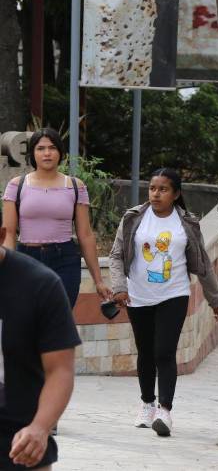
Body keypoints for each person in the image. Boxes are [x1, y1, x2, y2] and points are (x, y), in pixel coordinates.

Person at [109, 168, 218, 437]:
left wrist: (214, 300)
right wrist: (119, 288)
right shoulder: (133, 218)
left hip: (174, 293)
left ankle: (165, 410)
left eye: (163, 189)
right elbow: (116, 255)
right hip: (138, 295)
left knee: (164, 350)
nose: (156, 194)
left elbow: (203, 265)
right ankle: (147, 403)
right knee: (145, 351)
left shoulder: (187, 224)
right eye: (152, 188)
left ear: (176, 194)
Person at [2, 127, 112, 307]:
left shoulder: (76, 186)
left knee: (59, 320)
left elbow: (85, 234)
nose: (47, 153)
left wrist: (98, 280)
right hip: (27, 259)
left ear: (60, 152)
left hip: (64, 260)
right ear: (32, 153)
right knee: (28, 320)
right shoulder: (17, 185)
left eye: (52, 148)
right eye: (40, 148)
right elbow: (8, 234)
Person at [0, 224, 80, 470]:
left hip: (18, 438)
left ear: (1, 235)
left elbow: (60, 370)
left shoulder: (39, 285)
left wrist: (40, 427)